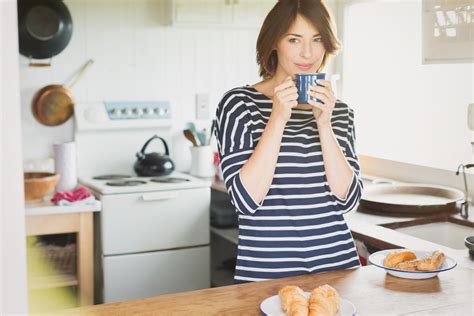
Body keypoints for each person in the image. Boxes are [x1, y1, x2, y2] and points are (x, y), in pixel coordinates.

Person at [215, 0, 363, 283]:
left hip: (338, 274)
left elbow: (349, 200)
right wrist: (277, 119)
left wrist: (324, 124)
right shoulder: (239, 104)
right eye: (294, 39)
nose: (307, 53)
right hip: (267, 277)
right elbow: (245, 201)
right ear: (274, 43)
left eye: (317, 39)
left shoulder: (339, 112)